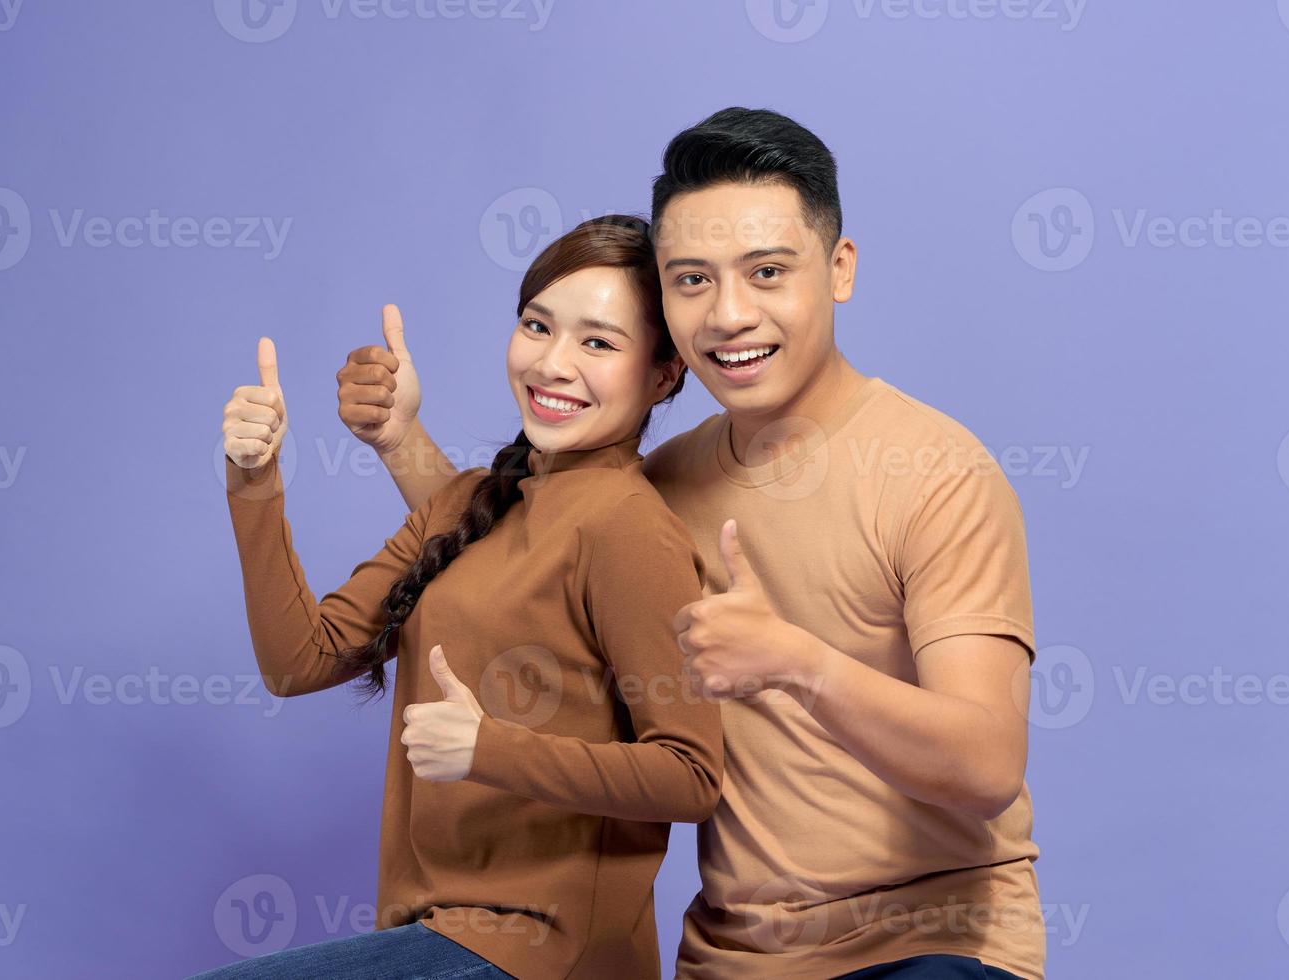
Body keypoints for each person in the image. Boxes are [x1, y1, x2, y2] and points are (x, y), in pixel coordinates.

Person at [336, 109, 1045, 979]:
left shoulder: (936, 473)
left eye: (768, 272)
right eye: (691, 281)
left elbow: (984, 763)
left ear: (840, 268)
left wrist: (795, 661)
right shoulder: (657, 487)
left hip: (928, 949)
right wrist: (400, 439)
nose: (729, 314)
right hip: (731, 960)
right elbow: (504, 548)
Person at [196, 216, 723, 980]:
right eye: (536, 326)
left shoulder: (625, 527)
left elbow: (689, 773)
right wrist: (254, 476)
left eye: (598, 343)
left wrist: (490, 750)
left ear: (662, 374)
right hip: (434, 934)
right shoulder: (469, 503)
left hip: (545, 954)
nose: (552, 363)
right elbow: (297, 661)